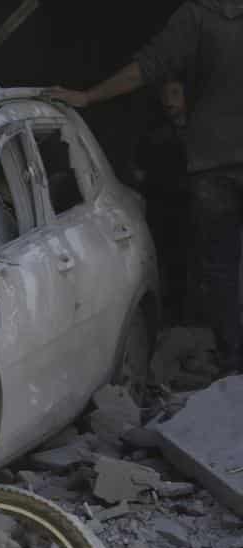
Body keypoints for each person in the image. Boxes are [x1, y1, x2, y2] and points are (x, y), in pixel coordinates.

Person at [48, 0, 243, 372]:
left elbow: (148, 67)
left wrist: (88, 96)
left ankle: (235, 360)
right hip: (212, 164)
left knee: (220, 267)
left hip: (212, 163)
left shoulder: (199, 15)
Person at [132, 81, 191, 324]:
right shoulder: (154, 135)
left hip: (194, 208)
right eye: (165, 94)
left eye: (175, 93)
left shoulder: (202, 130)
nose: (169, 101)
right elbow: (138, 172)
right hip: (163, 208)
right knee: (166, 260)